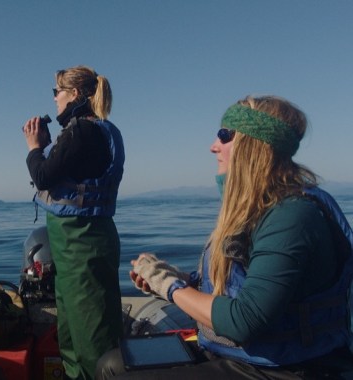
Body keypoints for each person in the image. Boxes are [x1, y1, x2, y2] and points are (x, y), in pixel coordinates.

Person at [96, 95, 353, 379]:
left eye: (224, 135)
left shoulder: (292, 216)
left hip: (287, 368)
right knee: (112, 363)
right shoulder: (259, 207)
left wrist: (169, 287)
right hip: (242, 354)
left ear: (254, 144)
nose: (213, 146)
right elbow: (241, 284)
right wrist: (184, 279)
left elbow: (244, 320)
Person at [22, 65, 125, 380]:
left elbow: (43, 175)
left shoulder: (82, 131)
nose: (54, 99)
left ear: (75, 94)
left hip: (84, 246)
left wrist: (35, 147)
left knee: (92, 338)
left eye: (57, 92)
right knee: (71, 332)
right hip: (75, 247)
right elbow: (64, 168)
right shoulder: (91, 131)